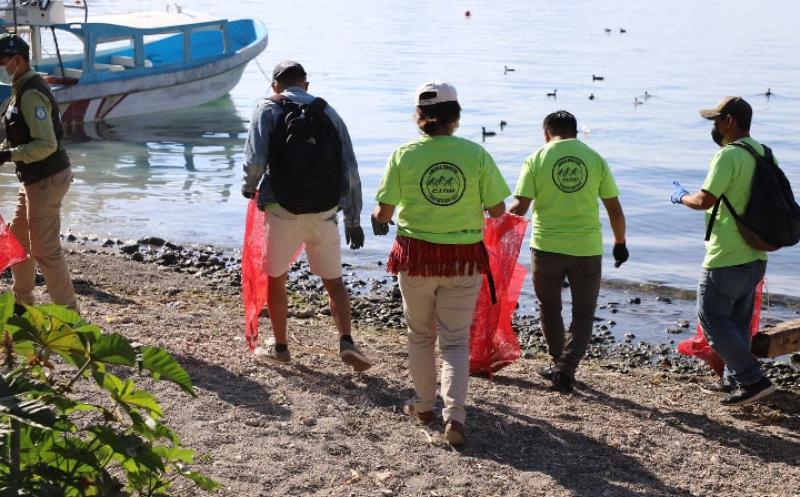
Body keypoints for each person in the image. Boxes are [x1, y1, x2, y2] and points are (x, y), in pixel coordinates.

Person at [373, 81, 510, 446]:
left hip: (415, 256)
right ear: (457, 117)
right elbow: (498, 210)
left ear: (419, 117)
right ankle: (456, 418)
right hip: (463, 260)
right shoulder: (475, 154)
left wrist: (375, 214)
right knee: (454, 342)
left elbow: (384, 212)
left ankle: (423, 406)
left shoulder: (403, 154)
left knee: (420, 336)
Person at [241, 60, 371, 372]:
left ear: (276, 85)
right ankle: (347, 341)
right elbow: (349, 167)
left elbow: (255, 157)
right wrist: (353, 217)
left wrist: (249, 186)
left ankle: (281, 346)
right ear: (306, 85)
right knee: (334, 281)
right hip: (324, 211)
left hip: (283, 211)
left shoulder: (266, 108)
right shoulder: (327, 111)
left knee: (276, 277)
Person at [509, 111, 627, 394]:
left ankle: (558, 363)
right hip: (586, 249)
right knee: (584, 313)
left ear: (546, 133)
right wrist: (620, 243)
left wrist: (488, 222)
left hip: (546, 248)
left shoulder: (536, 158)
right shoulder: (595, 158)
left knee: (549, 309)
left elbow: (520, 208)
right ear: (575, 132)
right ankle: (566, 368)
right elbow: (614, 208)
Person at [671, 96, 775, 405]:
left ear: (729, 121)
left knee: (713, 320)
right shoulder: (764, 153)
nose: (714, 128)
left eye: (716, 121)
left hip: (726, 255)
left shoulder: (728, 156)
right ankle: (735, 382)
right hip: (756, 254)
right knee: (737, 323)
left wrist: (680, 196)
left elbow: (705, 200)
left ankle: (753, 380)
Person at [0, 34, 78, 313]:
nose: (1, 67)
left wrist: (9, 155)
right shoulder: (20, 88)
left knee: (45, 251)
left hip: (47, 178)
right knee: (18, 242)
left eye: (3, 62)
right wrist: (4, 149)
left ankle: (71, 318)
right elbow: (21, 135)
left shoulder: (30, 93)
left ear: (18, 61)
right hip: (33, 179)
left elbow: (47, 145)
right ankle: (22, 304)